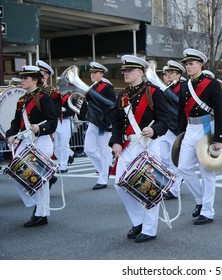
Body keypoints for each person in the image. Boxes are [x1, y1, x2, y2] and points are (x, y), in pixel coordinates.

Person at [110, 55, 171, 243]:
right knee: (119, 183)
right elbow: (117, 121)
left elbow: (165, 120)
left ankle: (150, 229)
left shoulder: (154, 92)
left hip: (148, 144)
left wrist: (154, 129)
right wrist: (116, 141)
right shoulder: (123, 96)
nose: (125, 73)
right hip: (128, 145)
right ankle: (139, 220)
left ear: (140, 72)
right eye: (124, 71)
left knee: (150, 187)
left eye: (129, 70)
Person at [177, 48, 222, 225]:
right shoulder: (184, 86)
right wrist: (180, 135)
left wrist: (219, 138)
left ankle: (207, 211)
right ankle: (200, 199)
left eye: (191, 64)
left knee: (207, 172)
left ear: (200, 64)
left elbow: (221, 110)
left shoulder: (211, 84)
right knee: (183, 167)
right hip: (190, 129)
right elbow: (182, 113)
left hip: (207, 127)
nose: (188, 67)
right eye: (186, 64)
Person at [6, 65, 57, 227]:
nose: (22, 81)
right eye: (21, 78)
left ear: (35, 80)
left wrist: (40, 128)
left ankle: (41, 214)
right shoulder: (21, 100)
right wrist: (10, 135)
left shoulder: (44, 98)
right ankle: (38, 205)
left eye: (25, 78)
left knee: (37, 178)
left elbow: (52, 122)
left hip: (40, 141)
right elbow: (15, 122)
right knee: (16, 173)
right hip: (24, 141)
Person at [79, 62, 116, 190]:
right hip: (93, 122)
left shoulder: (107, 87)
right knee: (88, 149)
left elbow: (112, 104)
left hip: (103, 123)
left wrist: (108, 122)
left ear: (102, 74)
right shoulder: (92, 88)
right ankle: (105, 168)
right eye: (91, 73)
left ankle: (103, 178)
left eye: (95, 73)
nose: (92, 75)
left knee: (105, 152)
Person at [159, 60, 186, 200]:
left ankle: (174, 189)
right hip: (166, 127)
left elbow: (178, 103)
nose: (168, 75)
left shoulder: (183, 87)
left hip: (177, 128)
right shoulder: (165, 88)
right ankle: (174, 180)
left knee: (176, 159)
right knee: (163, 157)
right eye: (167, 72)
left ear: (179, 74)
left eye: (171, 72)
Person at [36, 60, 61, 187]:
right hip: (32, 128)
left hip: (45, 127)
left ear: (46, 75)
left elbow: (55, 112)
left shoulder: (52, 92)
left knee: (41, 155)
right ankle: (48, 178)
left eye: (39, 72)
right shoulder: (32, 91)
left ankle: (47, 179)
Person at [53, 90, 76, 173]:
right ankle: (68, 156)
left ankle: (63, 166)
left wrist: (61, 112)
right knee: (55, 146)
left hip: (66, 121)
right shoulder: (55, 97)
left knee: (64, 144)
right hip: (57, 121)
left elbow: (72, 111)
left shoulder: (71, 97)